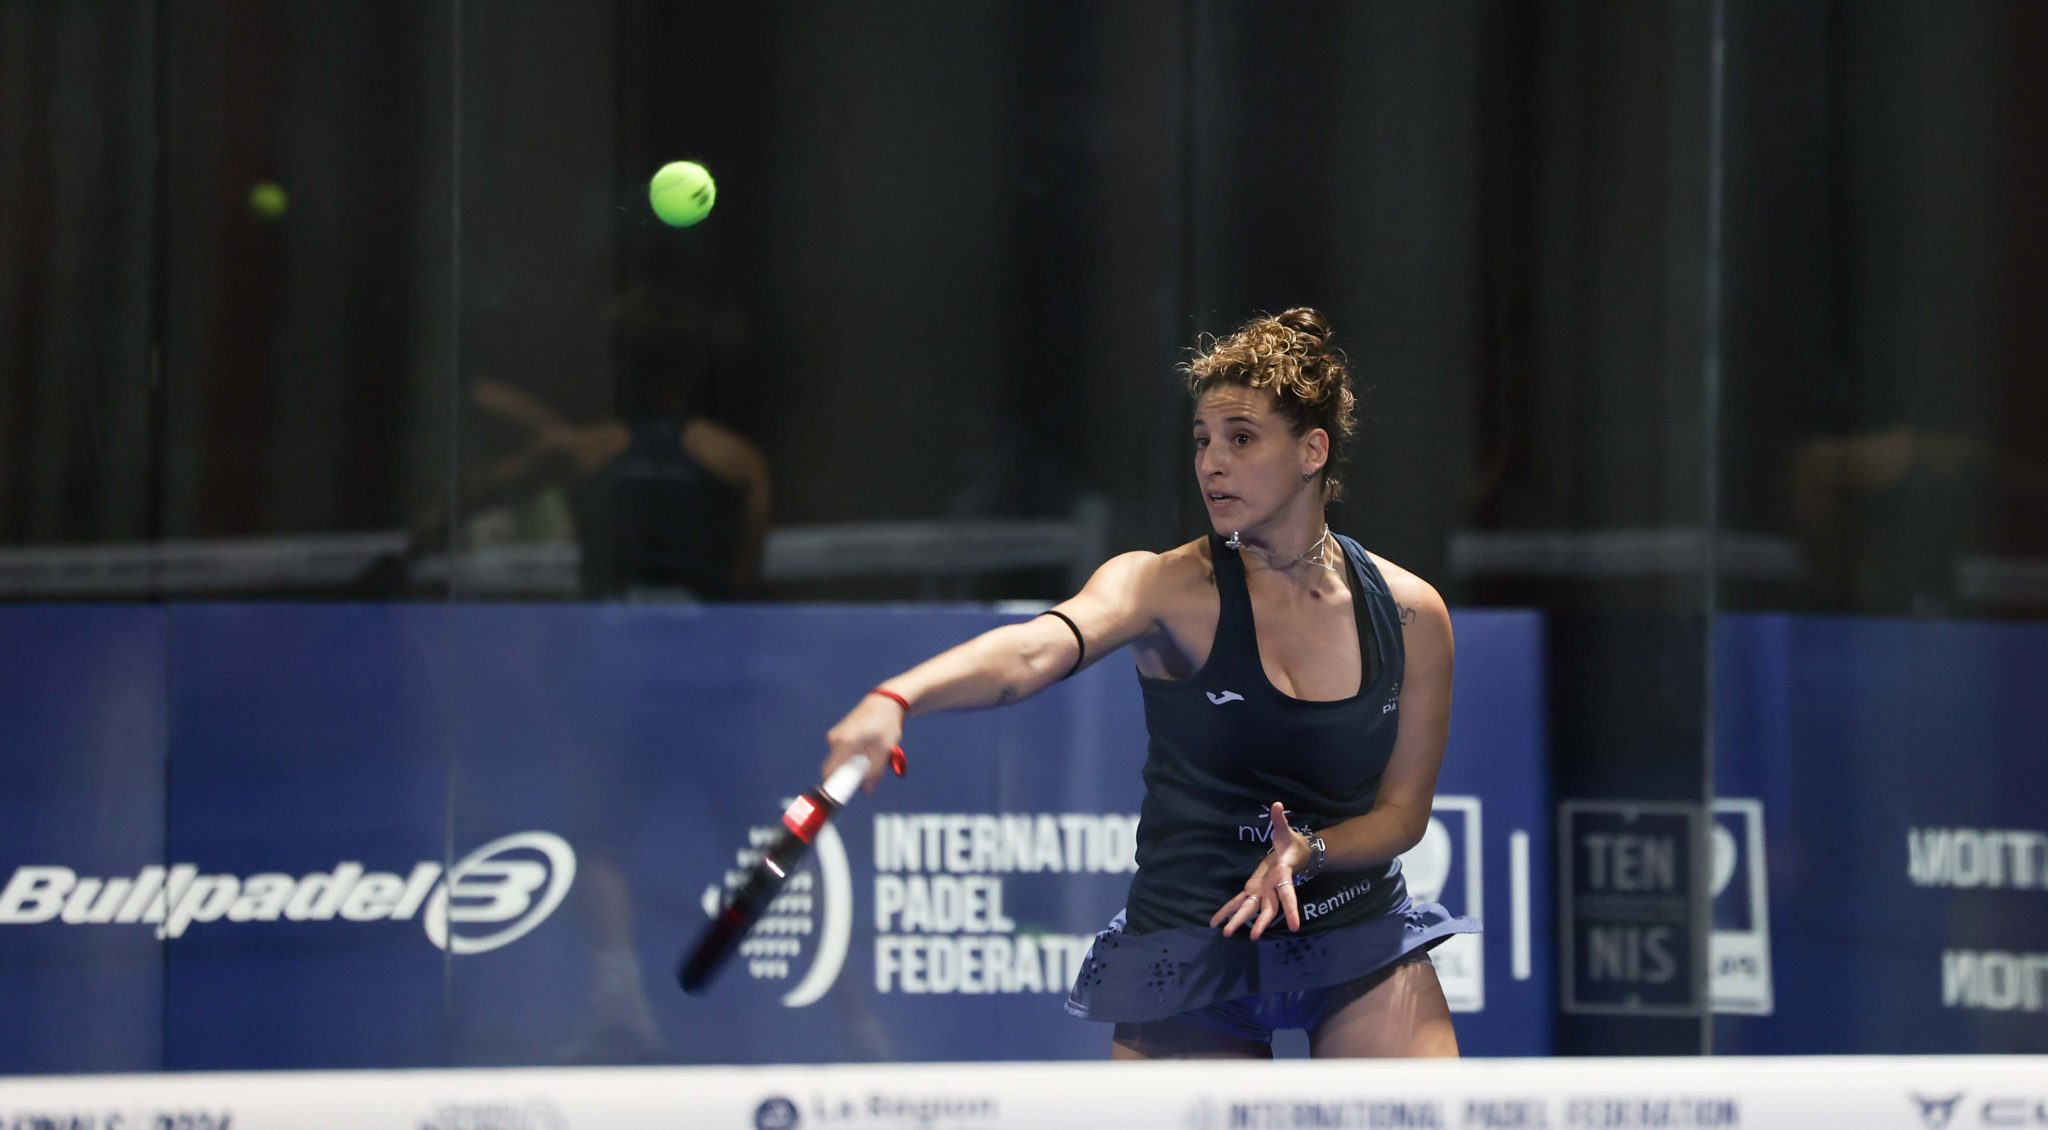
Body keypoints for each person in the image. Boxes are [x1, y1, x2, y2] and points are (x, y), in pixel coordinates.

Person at [821, 308, 1477, 1058]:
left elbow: (1402, 817)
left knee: (1426, 1110)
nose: (1211, 463)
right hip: (1191, 939)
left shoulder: (1409, 613)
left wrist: (1311, 851)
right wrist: (898, 697)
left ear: (1312, 451)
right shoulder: (1162, 587)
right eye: (1201, 440)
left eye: (1240, 438)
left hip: (1353, 926)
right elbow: (1034, 651)